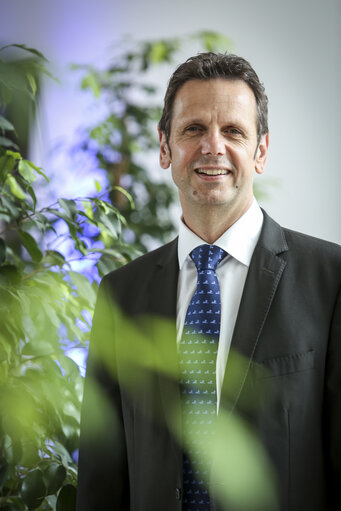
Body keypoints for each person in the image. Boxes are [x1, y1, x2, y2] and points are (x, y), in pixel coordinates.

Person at [76, 53, 341, 511]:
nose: (212, 147)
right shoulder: (121, 294)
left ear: (260, 151)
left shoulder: (331, 280)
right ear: (165, 148)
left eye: (233, 131)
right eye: (193, 129)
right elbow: (101, 479)